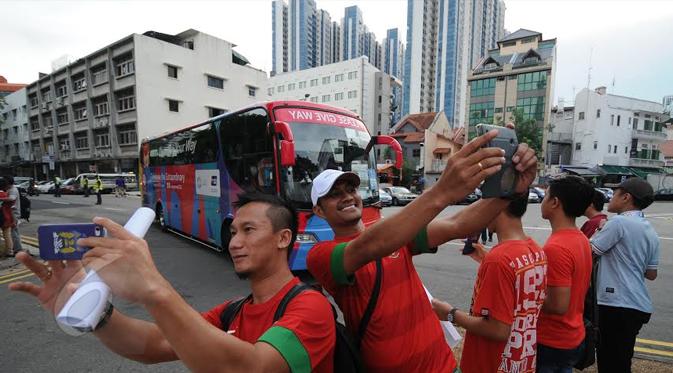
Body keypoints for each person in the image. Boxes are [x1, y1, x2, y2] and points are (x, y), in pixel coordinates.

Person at [9, 191, 336, 372]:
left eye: (248, 230)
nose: (234, 242)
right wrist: (95, 313)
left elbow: (253, 369)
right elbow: (153, 345)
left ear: (283, 238)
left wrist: (153, 288)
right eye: (233, 232)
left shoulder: (311, 307)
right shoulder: (232, 313)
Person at [306, 129, 539, 372]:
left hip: (444, 366)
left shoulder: (396, 232)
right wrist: (443, 191)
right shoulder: (320, 256)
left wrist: (512, 190)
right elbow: (370, 246)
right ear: (319, 211)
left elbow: (458, 224)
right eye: (334, 195)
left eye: (350, 190)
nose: (346, 197)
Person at [432, 195, 547, 373]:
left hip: (490, 363)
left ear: (498, 206)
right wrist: (487, 260)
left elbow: (498, 329)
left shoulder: (500, 260)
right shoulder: (535, 250)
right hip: (520, 361)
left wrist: (450, 313)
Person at [590, 177, 659, 373]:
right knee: (621, 361)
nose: (610, 198)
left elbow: (590, 253)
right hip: (637, 305)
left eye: (615, 193)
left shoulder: (618, 222)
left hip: (615, 304)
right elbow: (651, 273)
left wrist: (599, 230)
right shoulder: (650, 231)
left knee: (609, 363)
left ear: (626, 197)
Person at [536, 175, 594, 373]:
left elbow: (558, 305)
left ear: (554, 202)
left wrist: (523, 293)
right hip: (573, 334)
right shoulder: (581, 239)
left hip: (552, 340)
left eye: (545, 196)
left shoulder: (556, 247)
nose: (541, 201)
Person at [0, 178, 15, 258]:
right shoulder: (5, 195)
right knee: (7, 235)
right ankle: (10, 252)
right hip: (6, 218)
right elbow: (11, 206)